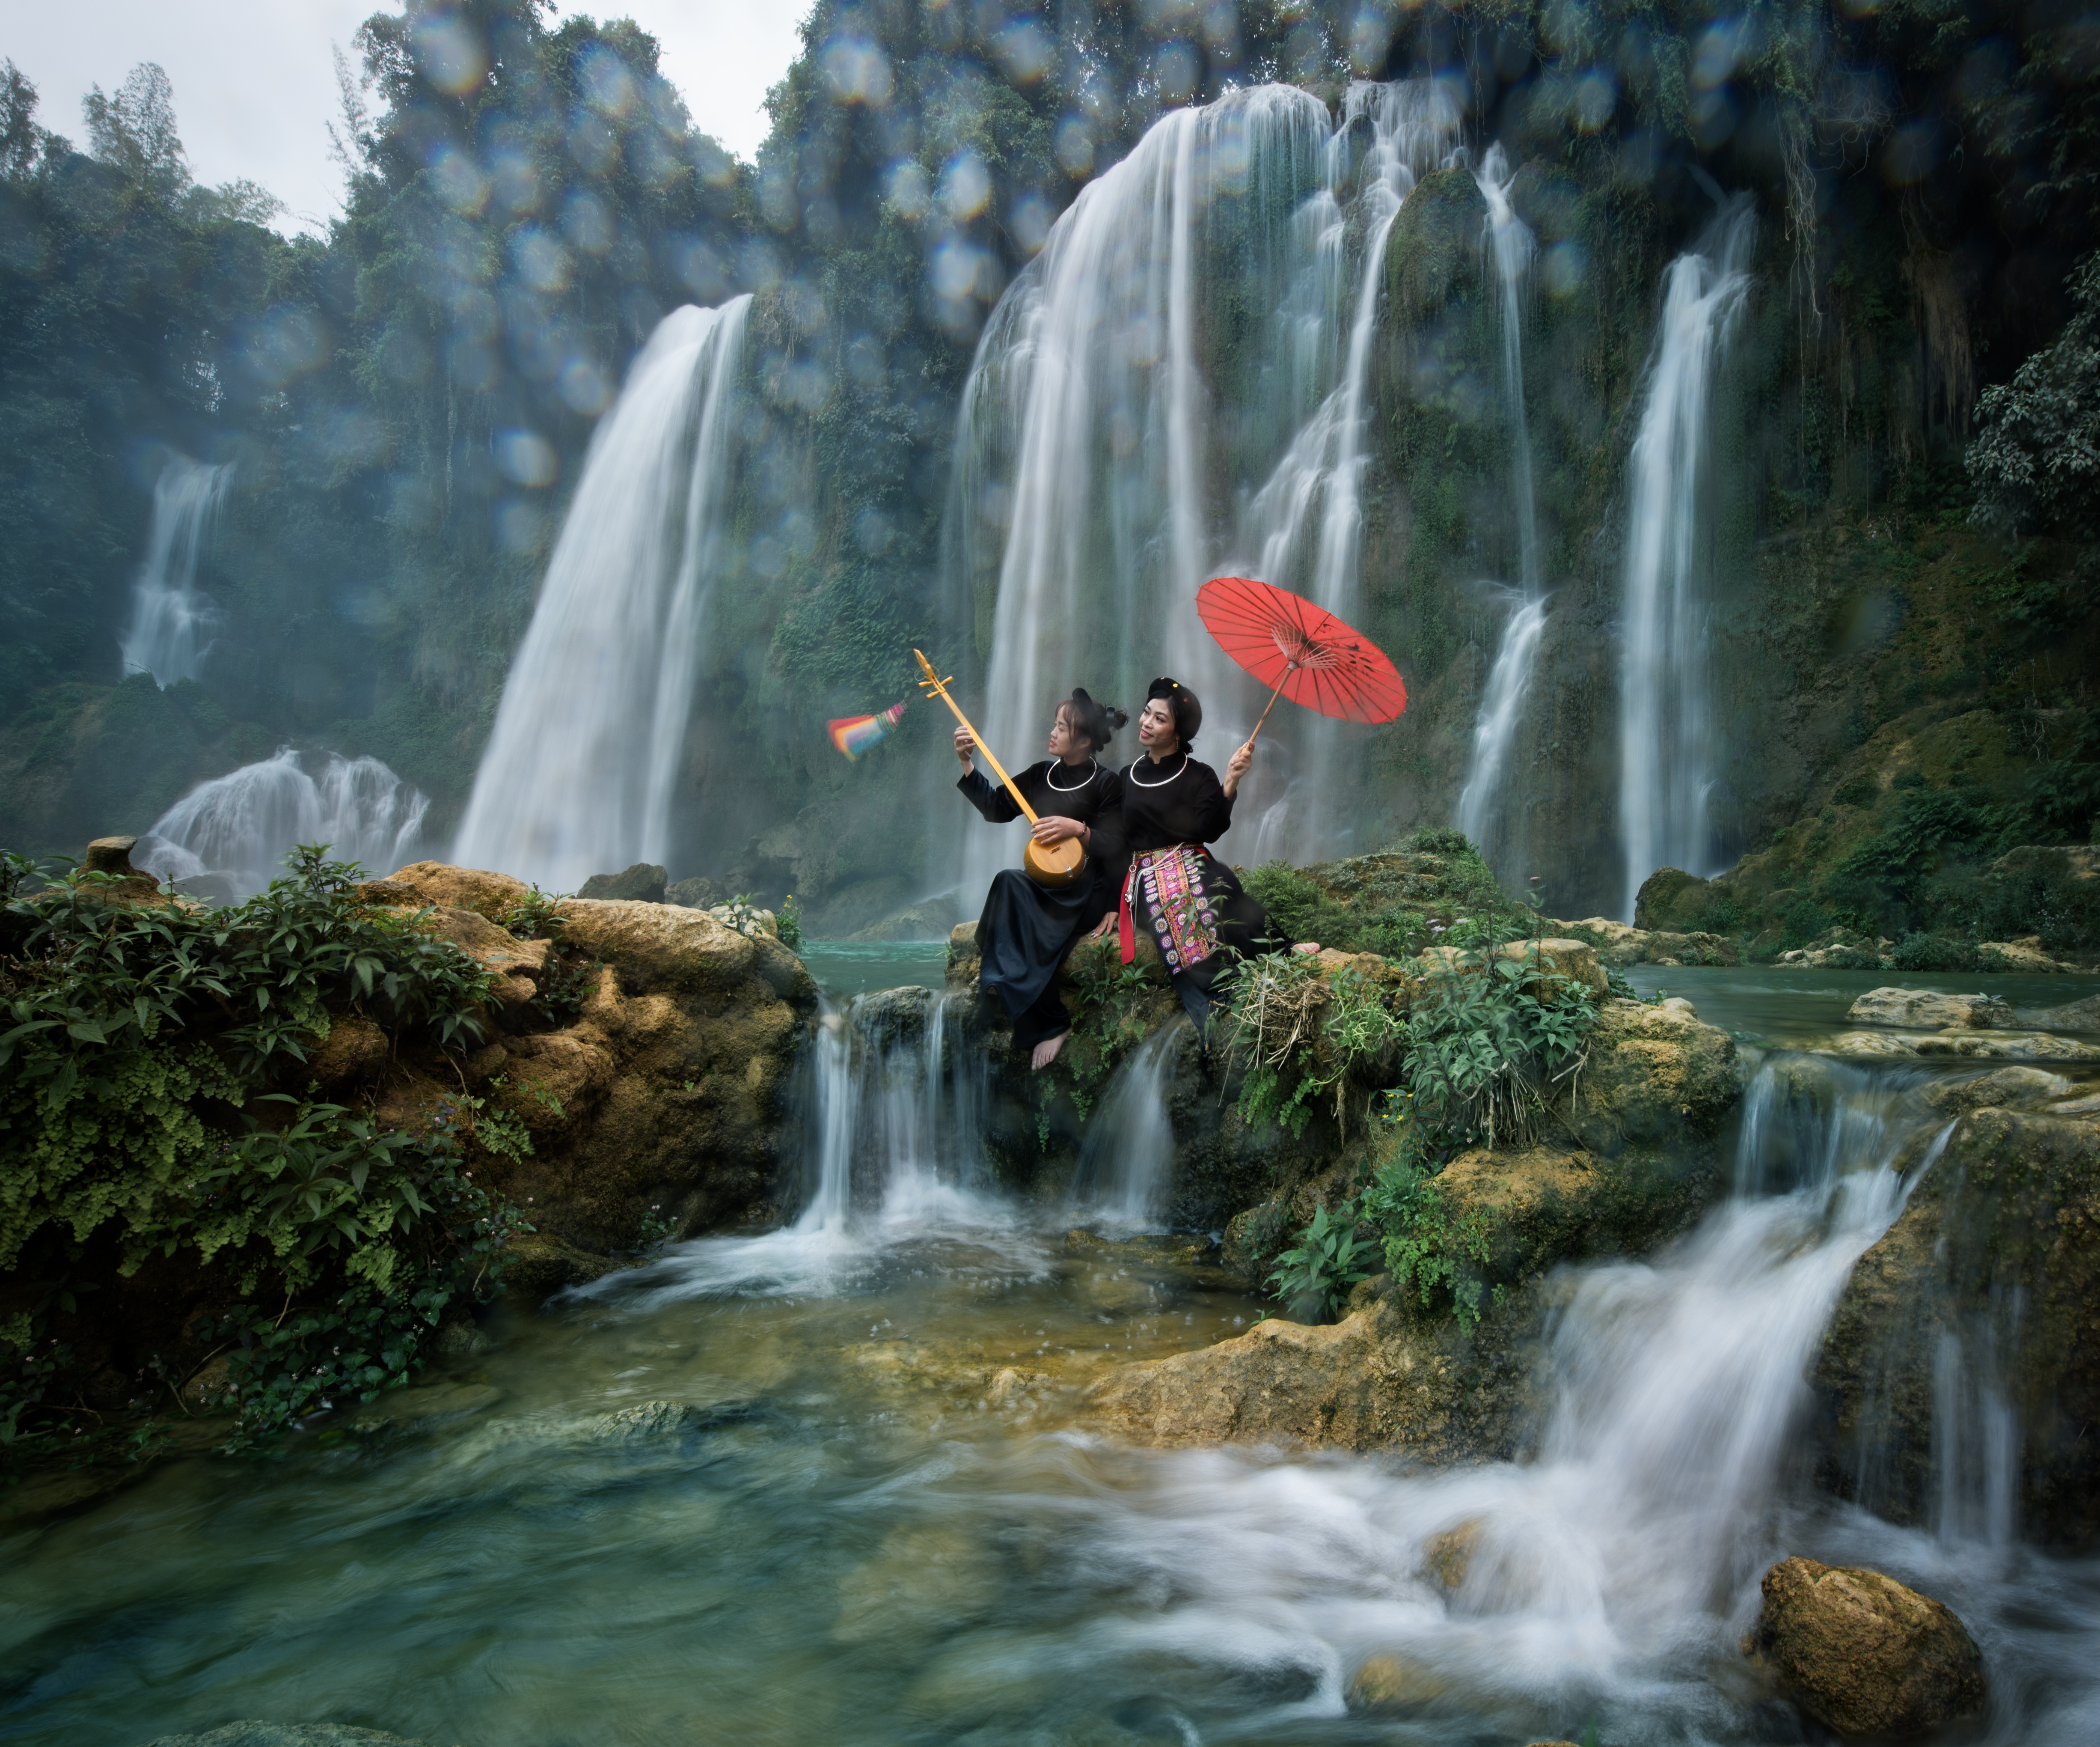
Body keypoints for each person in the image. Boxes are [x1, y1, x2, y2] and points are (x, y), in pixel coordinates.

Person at [956, 689, 1128, 1069]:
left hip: (1084, 891)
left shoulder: (1107, 784)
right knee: (1006, 881)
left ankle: (1053, 1023)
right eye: (1055, 724)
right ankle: (1003, 982)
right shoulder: (1040, 775)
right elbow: (997, 808)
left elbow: (1118, 846)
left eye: (1062, 728)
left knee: (1028, 921)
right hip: (1045, 884)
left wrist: (1079, 830)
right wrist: (968, 763)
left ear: (1084, 741)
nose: (1052, 733)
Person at [1114, 676, 1271, 1034]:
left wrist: (1230, 781)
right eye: (1146, 713)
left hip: (1191, 860)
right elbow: (1116, 842)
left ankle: (1273, 952)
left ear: (1177, 733)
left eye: (1159, 719)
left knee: (1220, 878)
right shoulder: (1127, 776)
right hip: (1146, 874)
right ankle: (1222, 987)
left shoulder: (1199, 774)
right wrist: (1108, 903)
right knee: (1180, 890)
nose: (1146, 722)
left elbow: (1208, 830)